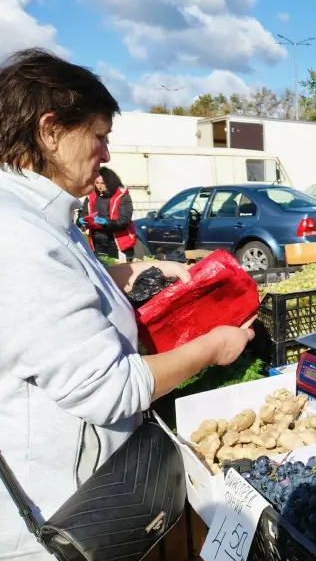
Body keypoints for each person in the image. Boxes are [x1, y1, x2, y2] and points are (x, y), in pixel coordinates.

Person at [0, 48, 255, 561]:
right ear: (51, 131)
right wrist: (213, 346)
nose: (106, 154)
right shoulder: (18, 235)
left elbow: (54, 297)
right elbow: (115, 388)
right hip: (64, 523)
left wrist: (126, 272)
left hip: (86, 494)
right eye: (99, 136)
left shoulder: (38, 216)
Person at [78, 166, 136, 261]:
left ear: (110, 183)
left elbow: (124, 220)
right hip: (97, 242)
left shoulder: (122, 196)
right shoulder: (91, 196)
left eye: (103, 183)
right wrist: (81, 220)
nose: (99, 186)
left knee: (119, 271)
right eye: (97, 183)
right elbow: (83, 213)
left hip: (117, 242)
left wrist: (107, 222)